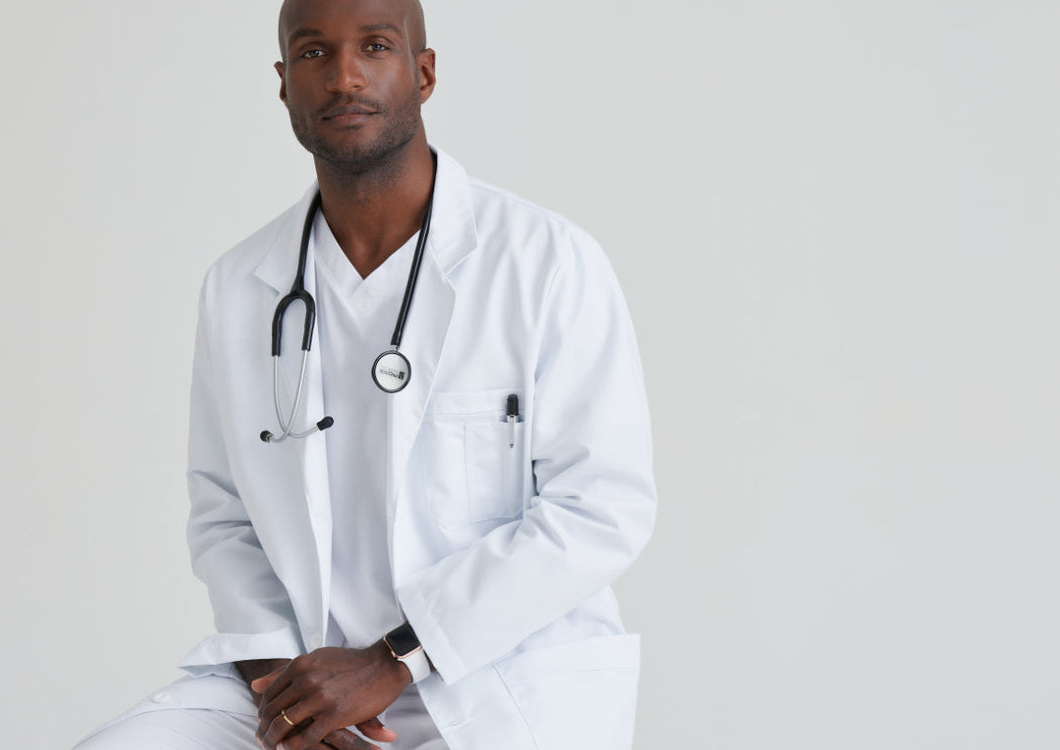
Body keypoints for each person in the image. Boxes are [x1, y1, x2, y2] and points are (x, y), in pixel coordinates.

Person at [72, 0, 656, 747]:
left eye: (374, 46)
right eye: (314, 53)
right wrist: (291, 696)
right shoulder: (240, 284)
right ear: (284, 84)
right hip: (299, 678)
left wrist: (392, 660)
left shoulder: (545, 263)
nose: (344, 75)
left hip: (501, 685)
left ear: (424, 71)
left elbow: (600, 507)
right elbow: (225, 519)